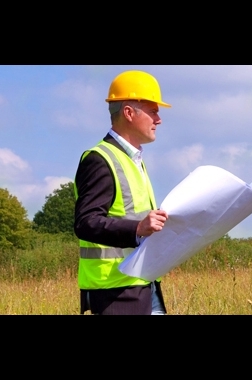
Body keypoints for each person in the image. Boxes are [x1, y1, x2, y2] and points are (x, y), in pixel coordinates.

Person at [74, 70, 171, 315]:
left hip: (142, 285)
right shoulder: (99, 159)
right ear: (128, 113)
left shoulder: (134, 160)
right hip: (114, 292)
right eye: (153, 111)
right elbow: (86, 223)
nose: (158, 119)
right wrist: (137, 229)